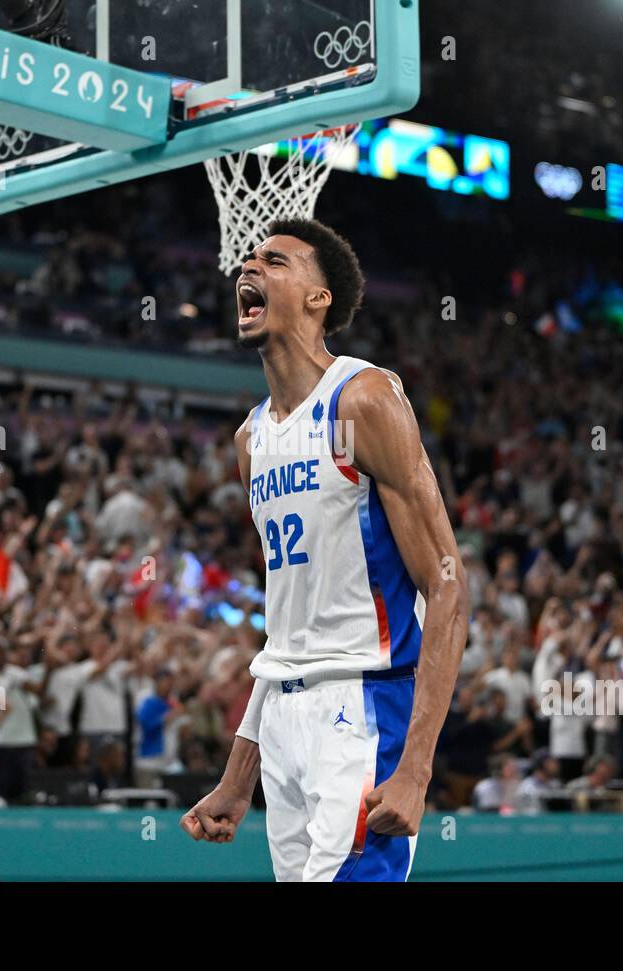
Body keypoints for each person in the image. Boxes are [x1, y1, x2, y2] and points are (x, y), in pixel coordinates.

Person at [182, 220, 469, 882]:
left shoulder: (362, 398)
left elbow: (448, 585)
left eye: (274, 261)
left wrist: (416, 769)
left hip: (363, 710)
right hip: (283, 721)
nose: (248, 269)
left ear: (319, 298)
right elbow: (287, 627)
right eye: (248, 260)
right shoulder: (251, 439)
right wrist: (237, 776)